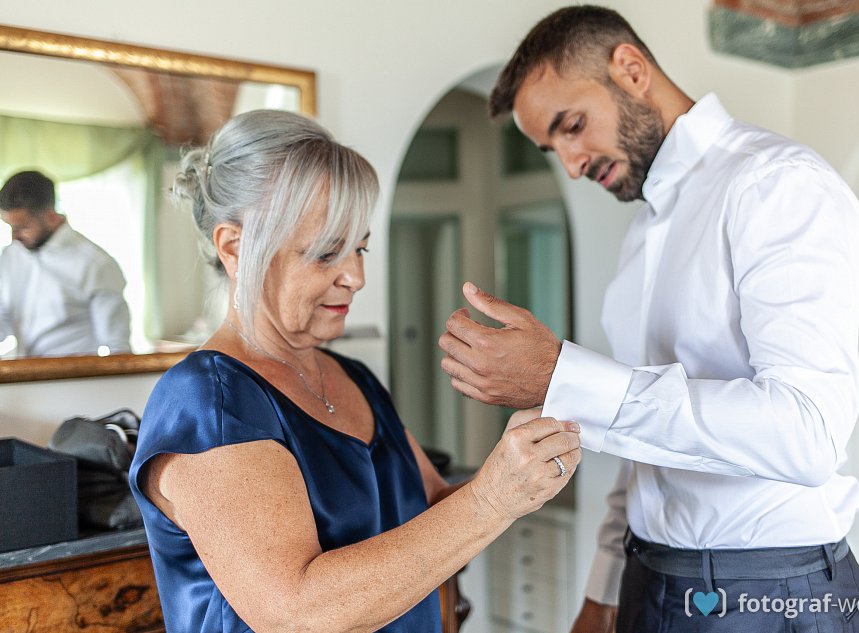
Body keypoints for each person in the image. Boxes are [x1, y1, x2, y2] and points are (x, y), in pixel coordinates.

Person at [438, 6, 859, 632]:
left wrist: (563, 375)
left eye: (572, 126)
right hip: (647, 579)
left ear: (632, 70)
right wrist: (603, 588)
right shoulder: (641, 237)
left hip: (770, 592)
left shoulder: (776, 185)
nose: (571, 164)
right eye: (553, 148)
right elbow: (646, 440)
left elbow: (809, 435)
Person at [127, 109, 581, 633]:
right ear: (235, 247)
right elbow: (296, 613)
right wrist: (492, 499)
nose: (357, 276)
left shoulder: (354, 378)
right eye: (327, 254)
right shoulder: (210, 402)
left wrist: (523, 456)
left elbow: (434, 511)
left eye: (359, 247)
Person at [0, 170, 131, 357]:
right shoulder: (10, 255)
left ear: (51, 216)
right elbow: (4, 316)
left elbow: (117, 347)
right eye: (10, 227)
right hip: (21, 370)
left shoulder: (96, 265)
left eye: (23, 227)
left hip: (73, 373)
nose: (14, 237)